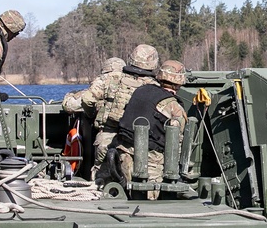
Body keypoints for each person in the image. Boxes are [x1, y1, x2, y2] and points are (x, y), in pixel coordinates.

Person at [76, 45, 159, 183]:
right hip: (137, 143)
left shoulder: (110, 78)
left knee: (101, 180)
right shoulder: (154, 87)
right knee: (134, 179)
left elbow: (87, 99)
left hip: (107, 137)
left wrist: (92, 115)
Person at [114, 59, 188, 199]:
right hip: (150, 165)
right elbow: (176, 142)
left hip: (123, 155)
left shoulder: (140, 91)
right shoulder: (174, 107)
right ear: (179, 82)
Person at [61, 56, 124, 178]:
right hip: (129, 139)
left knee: (100, 174)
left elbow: (71, 105)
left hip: (105, 138)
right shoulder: (133, 83)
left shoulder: (102, 82)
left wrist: (89, 112)